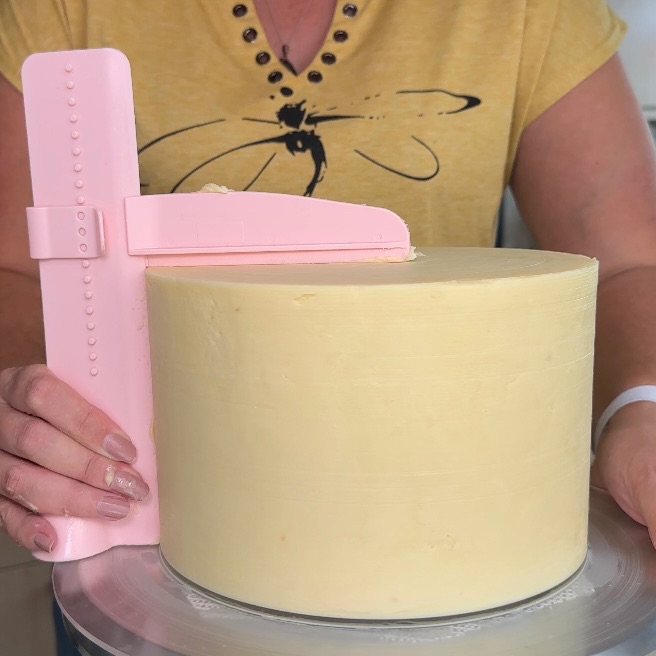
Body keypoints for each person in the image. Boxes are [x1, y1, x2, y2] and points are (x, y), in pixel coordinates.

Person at [1, 0, 656, 604]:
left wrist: (640, 408)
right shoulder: (57, 10)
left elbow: (629, 261)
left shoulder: (528, 11)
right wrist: (46, 418)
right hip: (152, 544)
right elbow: (16, 268)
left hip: (461, 540)